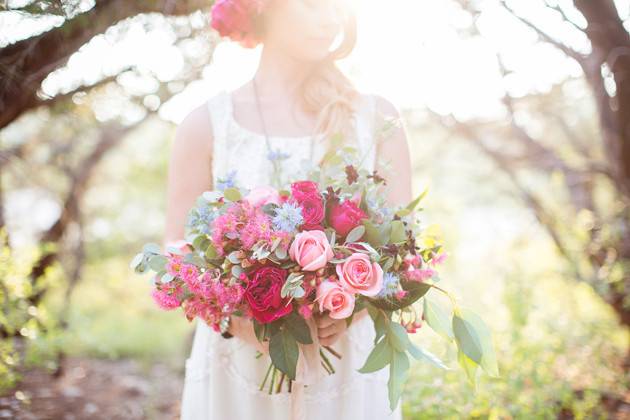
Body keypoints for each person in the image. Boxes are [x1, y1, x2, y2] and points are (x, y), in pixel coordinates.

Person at [163, 0, 413, 418]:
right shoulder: (205, 125)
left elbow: (401, 245)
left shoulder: (376, 119)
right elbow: (177, 254)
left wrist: (350, 308)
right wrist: (239, 322)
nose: (332, 17)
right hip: (239, 365)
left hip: (345, 363)